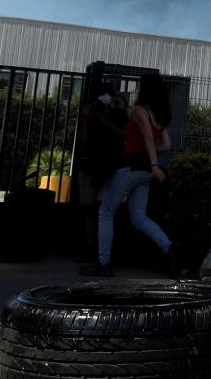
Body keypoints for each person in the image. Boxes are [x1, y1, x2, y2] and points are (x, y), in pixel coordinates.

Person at [82, 72, 181, 276]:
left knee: (105, 212)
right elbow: (165, 144)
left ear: (143, 89)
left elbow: (145, 138)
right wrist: (151, 161)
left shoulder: (140, 110)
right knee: (138, 217)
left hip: (130, 168)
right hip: (144, 172)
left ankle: (104, 264)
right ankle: (169, 250)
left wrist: (153, 163)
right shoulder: (160, 114)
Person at [74, 85, 127, 263]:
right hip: (90, 166)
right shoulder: (89, 116)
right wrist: (84, 120)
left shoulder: (118, 115)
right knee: (87, 207)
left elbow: (124, 136)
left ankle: (104, 250)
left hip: (109, 169)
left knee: (105, 209)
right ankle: (89, 246)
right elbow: (81, 144)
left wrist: (106, 118)